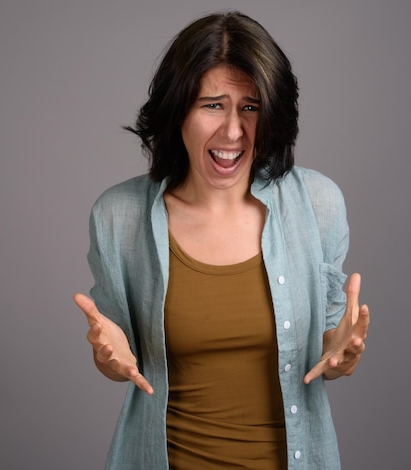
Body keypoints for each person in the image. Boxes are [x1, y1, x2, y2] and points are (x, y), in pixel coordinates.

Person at [74, 11, 369, 470]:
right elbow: (119, 355)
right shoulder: (118, 216)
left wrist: (343, 355)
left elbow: (332, 341)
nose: (233, 131)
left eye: (250, 107)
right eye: (212, 104)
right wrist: (108, 360)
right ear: (178, 113)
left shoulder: (319, 203)